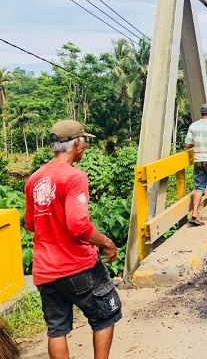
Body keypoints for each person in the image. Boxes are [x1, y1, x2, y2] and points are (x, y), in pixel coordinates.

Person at [24, 120, 121, 359]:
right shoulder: (74, 177)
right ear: (77, 144)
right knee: (106, 314)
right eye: (84, 141)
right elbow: (78, 227)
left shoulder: (33, 180)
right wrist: (106, 242)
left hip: (45, 270)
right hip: (76, 266)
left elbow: (30, 224)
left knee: (57, 329)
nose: (85, 146)